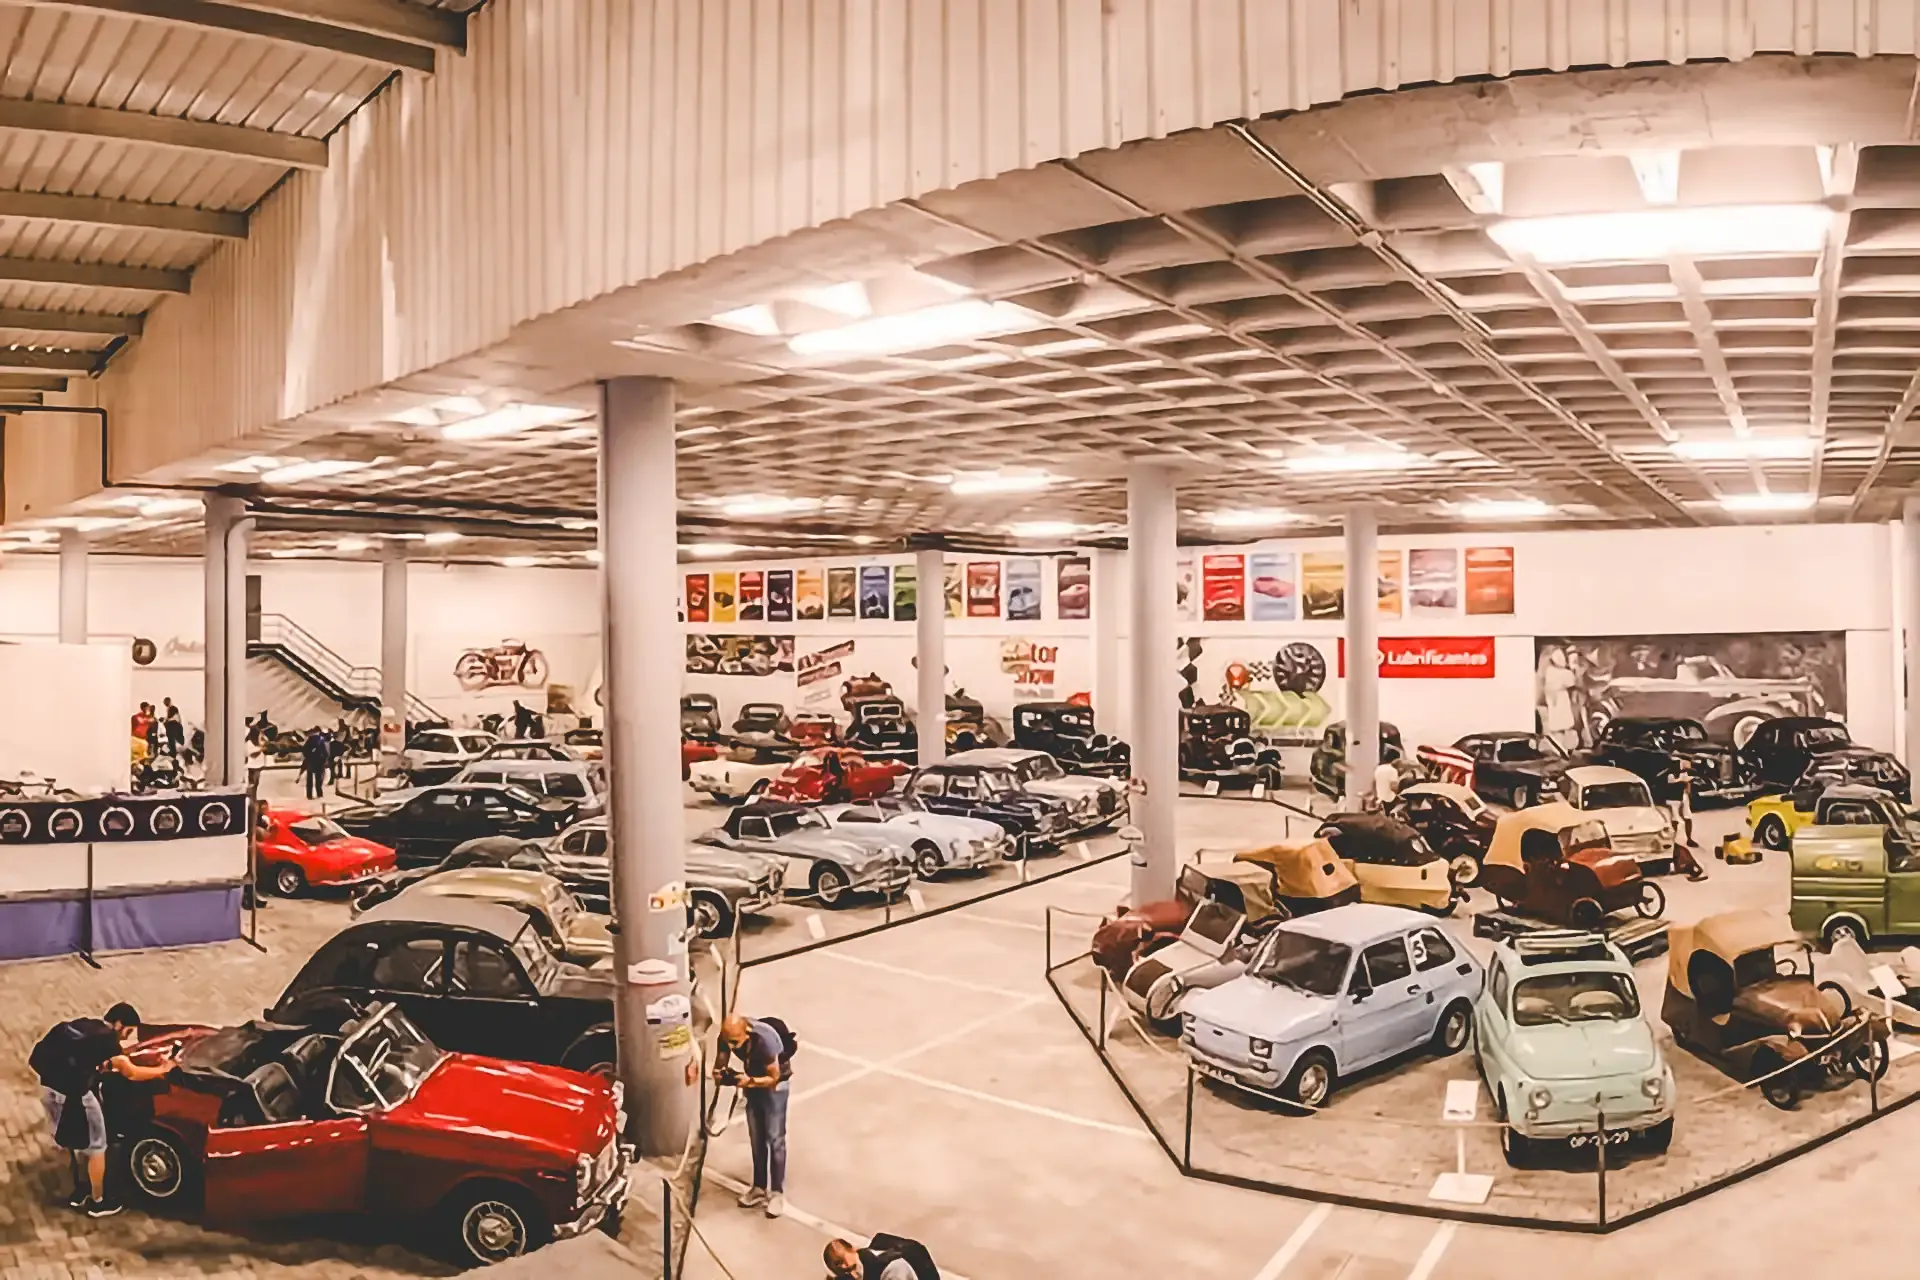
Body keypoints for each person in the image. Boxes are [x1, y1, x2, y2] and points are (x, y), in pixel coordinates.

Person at [31, 1003, 174, 1217]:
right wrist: (163, 1069)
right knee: (98, 1146)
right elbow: (130, 1072)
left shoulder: (85, 1026)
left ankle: (79, 1191)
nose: (125, 1037)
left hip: (49, 1090)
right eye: (128, 1031)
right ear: (119, 1024)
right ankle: (98, 1202)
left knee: (71, 1141)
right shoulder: (107, 1039)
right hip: (76, 1097)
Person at [714, 1013, 794, 1217]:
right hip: (753, 1082)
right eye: (728, 1041)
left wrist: (749, 1081)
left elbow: (773, 1078)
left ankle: (777, 1194)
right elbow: (720, 1063)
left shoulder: (765, 1040)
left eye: (735, 1042)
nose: (731, 1046)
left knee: (775, 1139)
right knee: (757, 1138)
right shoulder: (727, 1036)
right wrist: (720, 1073)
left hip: (775, 1086)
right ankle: (759, 1187)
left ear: (747, 1033)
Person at [824, 1234, 939, 1280]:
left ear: (854, 1249)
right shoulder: (859, 1264)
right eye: (846, 1272)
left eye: (853, 1267)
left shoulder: (892, 1269)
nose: (854, 1275)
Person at [1666, 761, 1709, 882]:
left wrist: (1687, 791)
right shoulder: (1670, 775)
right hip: (1673, 799)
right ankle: (1671, 840)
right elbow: (1674, 784)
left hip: (1682, 797)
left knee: (1687, 817)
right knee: (1674, 820)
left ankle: (1689, 838)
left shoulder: (1683, 774)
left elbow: (1687, 784)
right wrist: (1683, 782)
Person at [301, 728, 330, 800]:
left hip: (310, 762)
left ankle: (309, 795)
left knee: (309, 780)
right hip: (319, 762)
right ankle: (319, 794)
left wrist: (308, 757)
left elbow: (304, 751)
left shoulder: (309, 741)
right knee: (318, 780)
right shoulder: (321, 741)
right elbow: (325, 753)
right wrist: (324, 760)